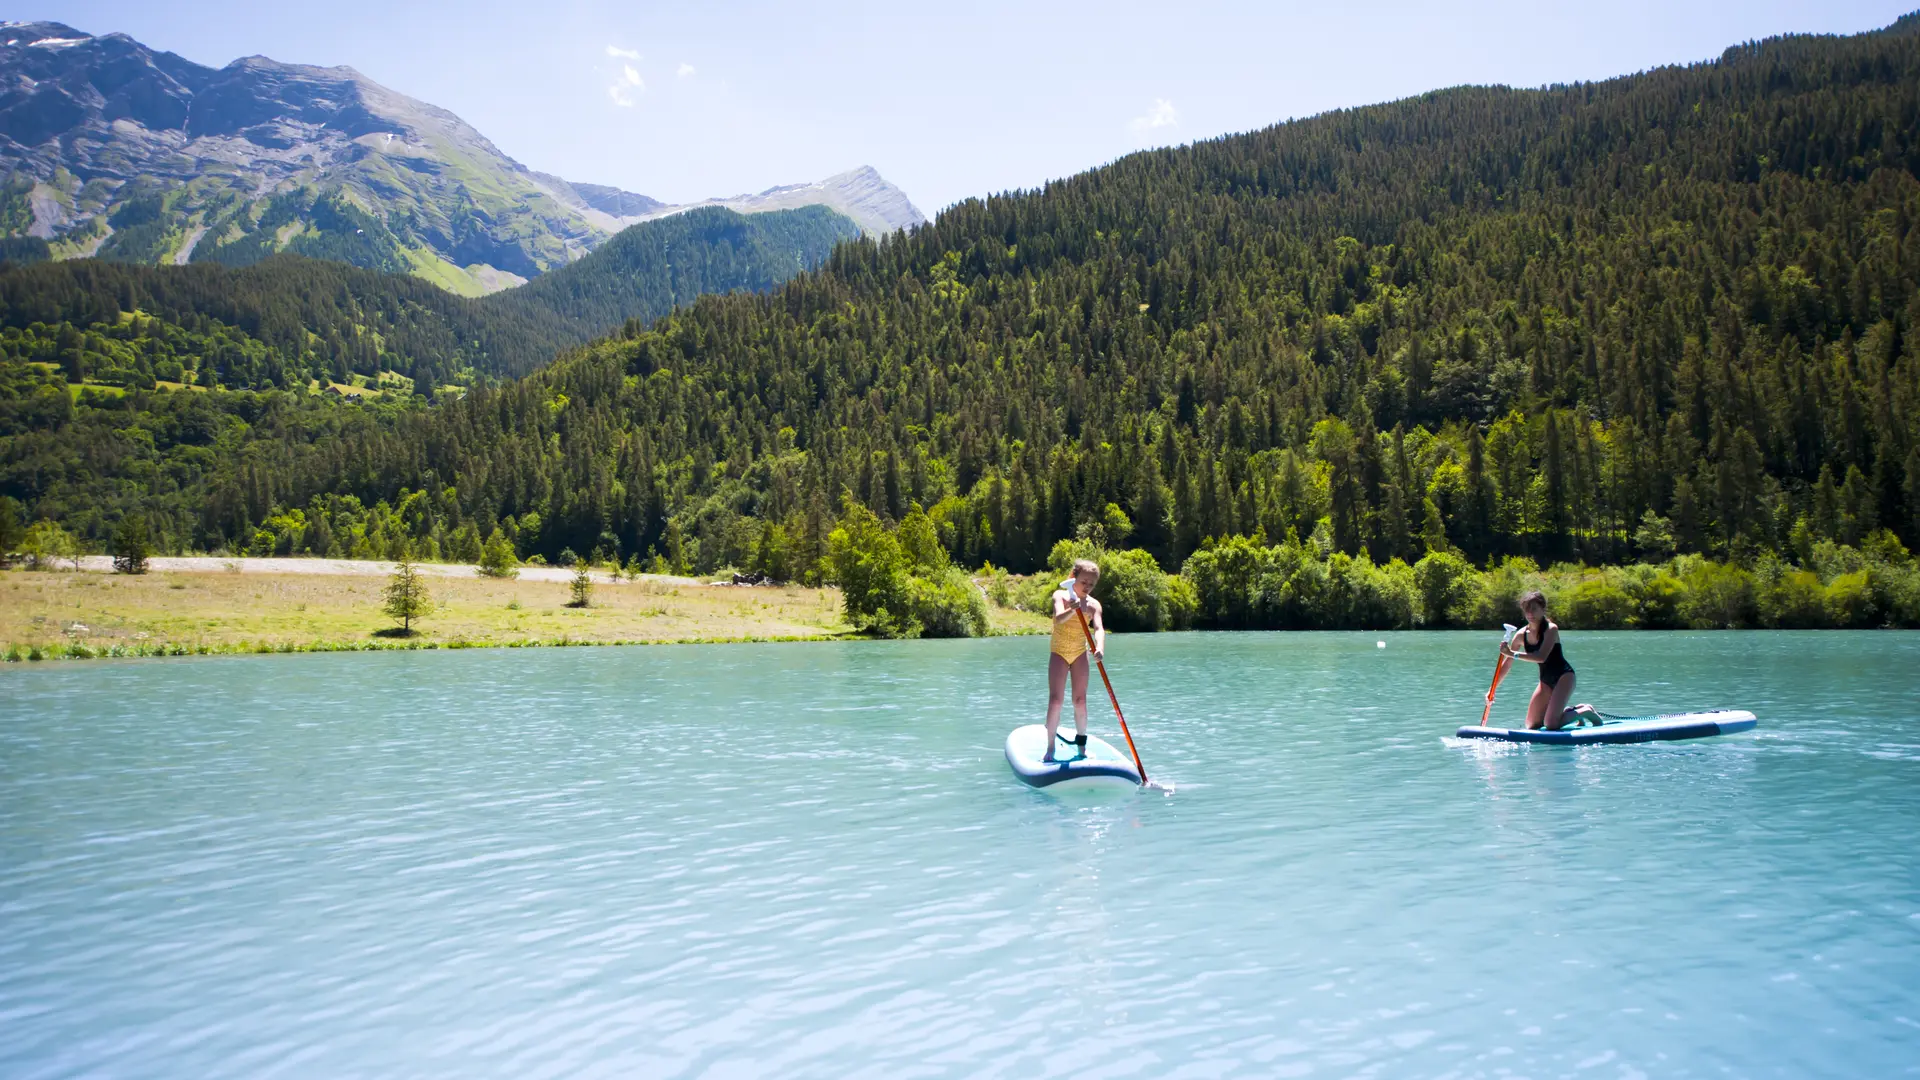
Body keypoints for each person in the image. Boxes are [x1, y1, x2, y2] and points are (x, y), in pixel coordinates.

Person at [1043, 559, 1105, 762]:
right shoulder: (1060, 595)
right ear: (1074, 577)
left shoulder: (1094, 604)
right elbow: (1059, 618)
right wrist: (1073, 609)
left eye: (1091, 584)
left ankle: (1081, 749)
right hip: (1059, 652)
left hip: (1079, 653)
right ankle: (1051, 748)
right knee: (1056, 701)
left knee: (1080, 701)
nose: (1087, 587)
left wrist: (1100, 648)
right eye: (1084, 582)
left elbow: (1099, 629)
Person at [1501, 590, 1577, 730]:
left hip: (1564, 676)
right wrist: (1491, 690)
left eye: (1534, 609)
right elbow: (1507, 664)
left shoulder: (1551, 629)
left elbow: (1541, 657)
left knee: (1551, 724)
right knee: (1531, 725)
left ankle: (1585, 711)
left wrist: (1512, 653)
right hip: (1545, 680)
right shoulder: (1520, 635)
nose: (1530, 614)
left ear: (1543, 609)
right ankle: (1568, 711)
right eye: (1527, 611)